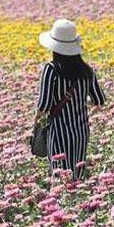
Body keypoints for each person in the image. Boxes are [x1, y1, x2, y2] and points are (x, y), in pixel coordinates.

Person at [36, 19, 105, 179]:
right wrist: (80, 99)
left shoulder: (51, 69)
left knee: (60, 176)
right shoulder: (86, 70)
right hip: (81, 130)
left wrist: (36, 122)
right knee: (77, 174)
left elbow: (44, 105)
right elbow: (99, 100)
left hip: (60, 132)